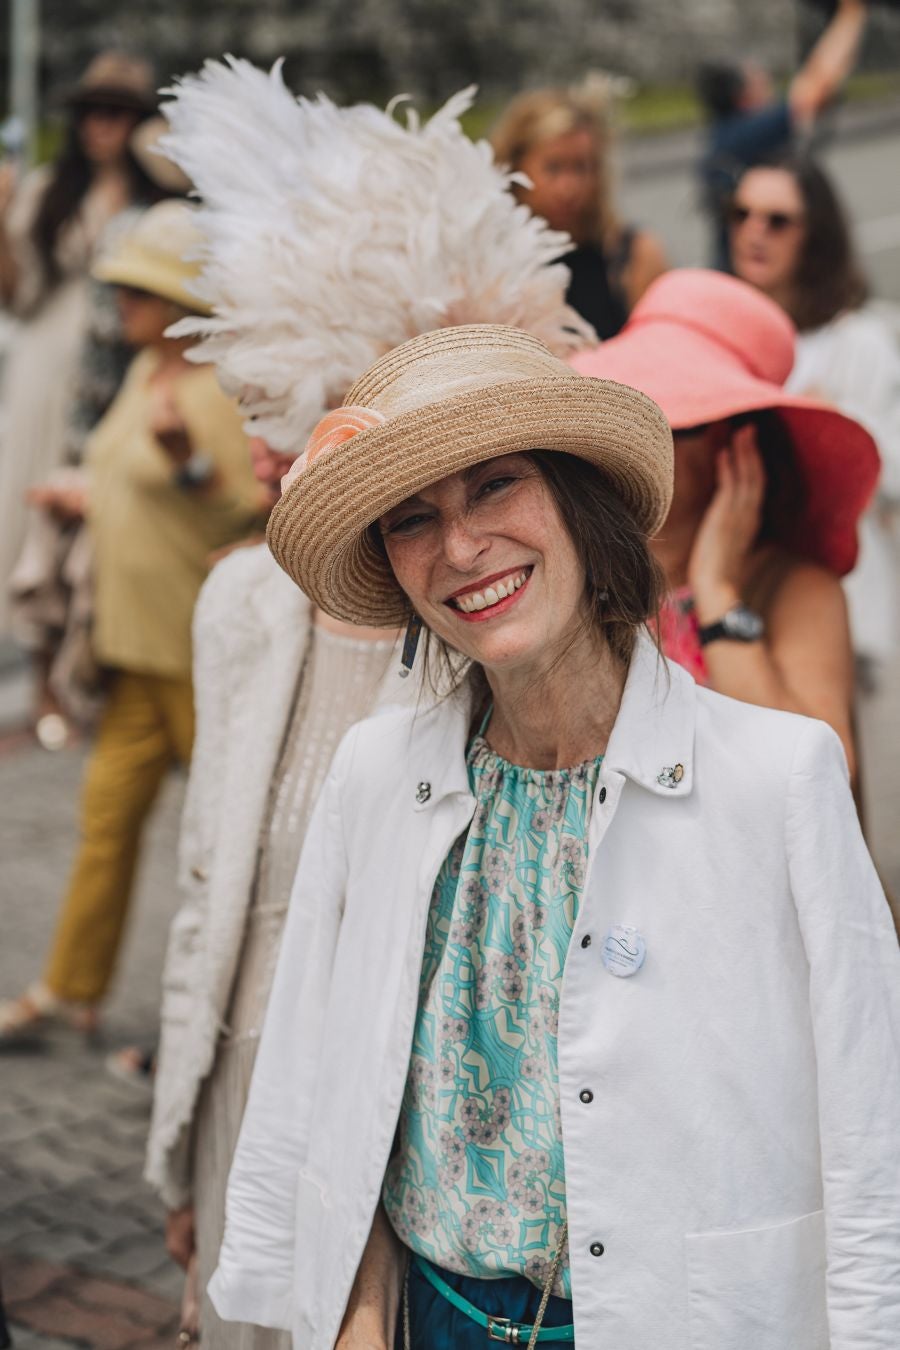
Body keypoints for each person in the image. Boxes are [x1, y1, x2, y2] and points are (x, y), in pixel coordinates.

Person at [206, 322, 900, 1348]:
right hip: (432, 1320)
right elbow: (324, 1072)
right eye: (412, 518)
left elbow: (872, 1127)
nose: (460, 548)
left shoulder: (778, 778)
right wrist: (355, 1311)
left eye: (495, 485)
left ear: (582, 502)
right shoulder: (376, 775)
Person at [139, 59, 594, 1348]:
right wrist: (187, 1157)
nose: (268, 437)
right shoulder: (241, 606)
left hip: (423, 1145)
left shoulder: (490, 622)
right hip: (250, 1096)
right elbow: (206, 892)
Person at [0, 201, 264, 1044]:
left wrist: (186, 457)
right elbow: (123, 476)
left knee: (222, 848)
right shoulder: (141, 377)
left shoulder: (211, 388)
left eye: (141, 292)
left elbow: (246, 509)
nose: (124, 306)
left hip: (199, 656)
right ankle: (66, 992)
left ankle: (218, 1015)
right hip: (132, 656)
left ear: (180, 299)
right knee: (105, 828)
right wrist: (81, 495)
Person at [570, 267, 879, 785]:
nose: (648, 437)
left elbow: (824, 773)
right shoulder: (588, 578)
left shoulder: (796, 588)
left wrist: (716, 591)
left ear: (738, 444)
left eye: (679, 419)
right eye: (636, 411)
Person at [0, 52, 160, 637]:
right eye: (92, 111)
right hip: (51, 361)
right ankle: (42, 657)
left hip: (127, 363)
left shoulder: (159, 195)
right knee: (42, 504)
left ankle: (90, 653)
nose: (100, 124)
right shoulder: (50, 189)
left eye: (116, 113)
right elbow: (18, 296)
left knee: (107, 514)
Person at [728, 153, 900, 683]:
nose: (754, 232)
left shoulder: (856, 343)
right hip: (736, 602)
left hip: (841, 603)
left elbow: (890, 475)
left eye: (777, 220)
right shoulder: (716, 336)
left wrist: (826, 436)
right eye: (741, 214)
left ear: (815, 234)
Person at [696, 0, 868, 267]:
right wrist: (851, 13)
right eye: (756, 76)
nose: (766, 79)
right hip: (754, 276)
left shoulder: (727, 133)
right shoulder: (748, 133)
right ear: (742, 94)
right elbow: (815, 88)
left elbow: (824, 83)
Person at [490, 80, 666, 339]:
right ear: (515, 168)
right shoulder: (490, 268)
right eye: (554, 168)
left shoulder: (631, 255)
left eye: (580, 167)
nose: (568, 188)